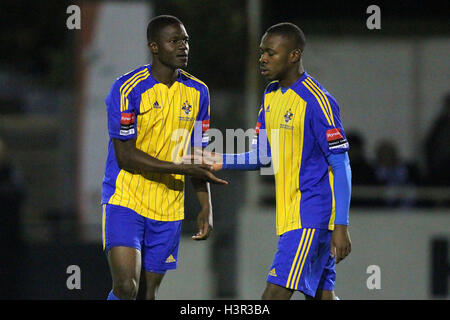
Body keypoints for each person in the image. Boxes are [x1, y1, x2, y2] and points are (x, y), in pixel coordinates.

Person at [188, 22, 352, 300]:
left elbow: (341, 164)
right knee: (324, 296)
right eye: (261, 52)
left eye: (271, 53)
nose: (262, 59)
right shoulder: (270, 96)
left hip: (310, 217)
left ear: (294, 55)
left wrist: (342, 225)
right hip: (294, 217)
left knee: (272, 296)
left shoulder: (317, 101)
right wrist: (220, 160)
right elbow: (263, 156)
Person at [101, 15, 227, 300]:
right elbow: (125, 155)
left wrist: (206, 206)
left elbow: (196, 156)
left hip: (169, 207)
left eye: (185, 40)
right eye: (174, 41)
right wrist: (177, 166)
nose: (183, 47)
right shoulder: (127, 88)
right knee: (125, 287)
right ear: (154, 47)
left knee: (147, 294)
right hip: (125, 199)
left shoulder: (198, 92)